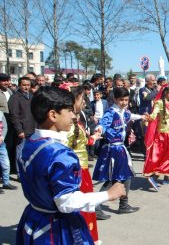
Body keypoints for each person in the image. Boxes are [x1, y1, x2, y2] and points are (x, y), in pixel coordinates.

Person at [16, 86, 125, 245]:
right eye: (69, 111)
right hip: (55, 229)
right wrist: (108, 194)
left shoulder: (28, 144)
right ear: (53, 115)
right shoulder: (60, 154)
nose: (74, 115)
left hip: (33, 218)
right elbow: (66, 201)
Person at [93, 88, 147, 217]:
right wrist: (98, 131)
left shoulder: (124, 112)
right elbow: (102, 124)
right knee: (113, 178)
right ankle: (96, 206)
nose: (124, 102)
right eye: (121, 100)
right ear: (115, 99)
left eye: (126, 100)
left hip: (121, 148)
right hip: (113, 149)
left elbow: (131, 116)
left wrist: (142, 117)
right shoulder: (110, 113)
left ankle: (123, 204)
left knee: (126, 175)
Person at [66, 86, 102, 240]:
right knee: (81, 205)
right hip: (77, 171)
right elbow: (68, 146)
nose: (85, 103)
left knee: (87, 205)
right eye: (82, 99)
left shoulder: (77, 117)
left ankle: (85, 237)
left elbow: (81, 142)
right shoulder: (68, 122)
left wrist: (93, 137)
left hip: (83, 169)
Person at [8, 77, 35, 174]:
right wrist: (19, 130)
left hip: (32, 129)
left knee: (30, 152)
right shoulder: (15, 98)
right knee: (20, 153)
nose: (26, 87)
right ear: (19, 85)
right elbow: (14, 115)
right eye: (24, 85)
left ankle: (27, 171)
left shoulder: (31, 96)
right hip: (22, 131)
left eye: (28, 85)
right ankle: (20, 173)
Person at [0, 110, 17, 191]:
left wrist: (2, 137)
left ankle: (6, 183)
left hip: (1, 144)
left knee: (6, 164)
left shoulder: (0, 113)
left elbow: (5, 127)